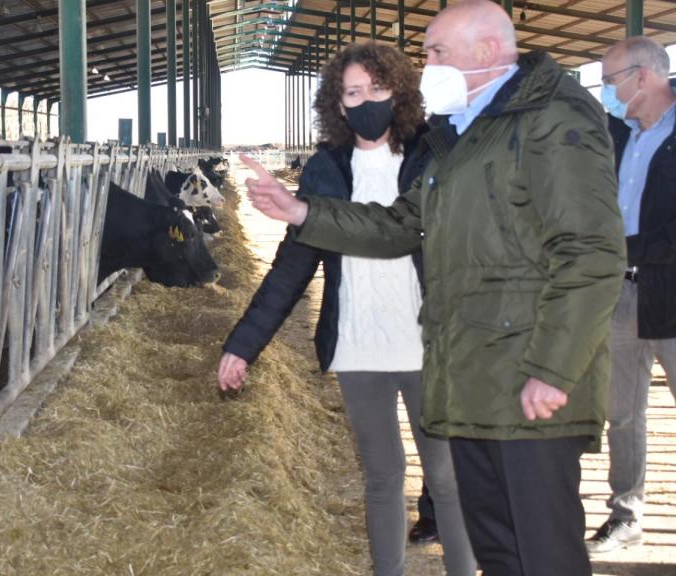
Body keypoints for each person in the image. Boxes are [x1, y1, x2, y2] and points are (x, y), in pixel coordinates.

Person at [238, 1, 626, 574]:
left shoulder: (551, 117)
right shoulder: (462, 139)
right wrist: (300, 211)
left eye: (438, 52)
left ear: (487, 52)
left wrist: (554, 366)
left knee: (542, 549)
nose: (429, 65)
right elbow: (399, 225)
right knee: (500, 547)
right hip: (472, 373)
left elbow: (591, 251)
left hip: (526, 375)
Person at [218, 43, 475, 576]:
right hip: (358, 344)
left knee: (447, 476)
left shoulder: (433, 157)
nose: (367, 102)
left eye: (377, 89)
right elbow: (292, 267)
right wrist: (243, 346)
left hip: (430, 343)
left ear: (400, 92)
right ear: (337, 105)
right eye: (353, 92)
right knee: (382, 476)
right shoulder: (325, 170)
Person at [585, 36, 676, 555]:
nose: (606, 91)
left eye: (610, 79)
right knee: (622, 413)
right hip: (620, 294)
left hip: (670, 290)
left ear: (643, 77)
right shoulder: (617, 138)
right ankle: (627, 513)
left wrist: (620, 247)